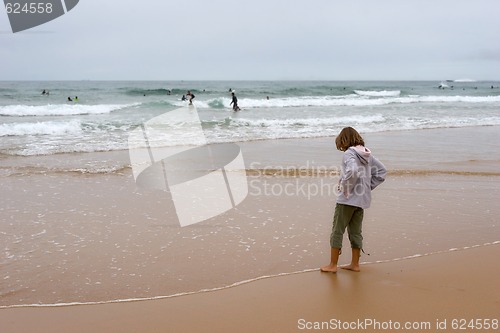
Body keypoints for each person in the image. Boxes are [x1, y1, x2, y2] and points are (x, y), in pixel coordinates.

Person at [321, 127, 386, 273]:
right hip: (361, 200)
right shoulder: (367, 154)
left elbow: (353, 171)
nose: (341, 149)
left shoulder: (349, 154)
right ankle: (355, 264)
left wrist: (346, 187)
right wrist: (367, 187)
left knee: (337, 230)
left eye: (341, 145)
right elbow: (382, 171)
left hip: (346, 200)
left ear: (344, 141)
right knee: (356, 231)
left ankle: (332, 265)